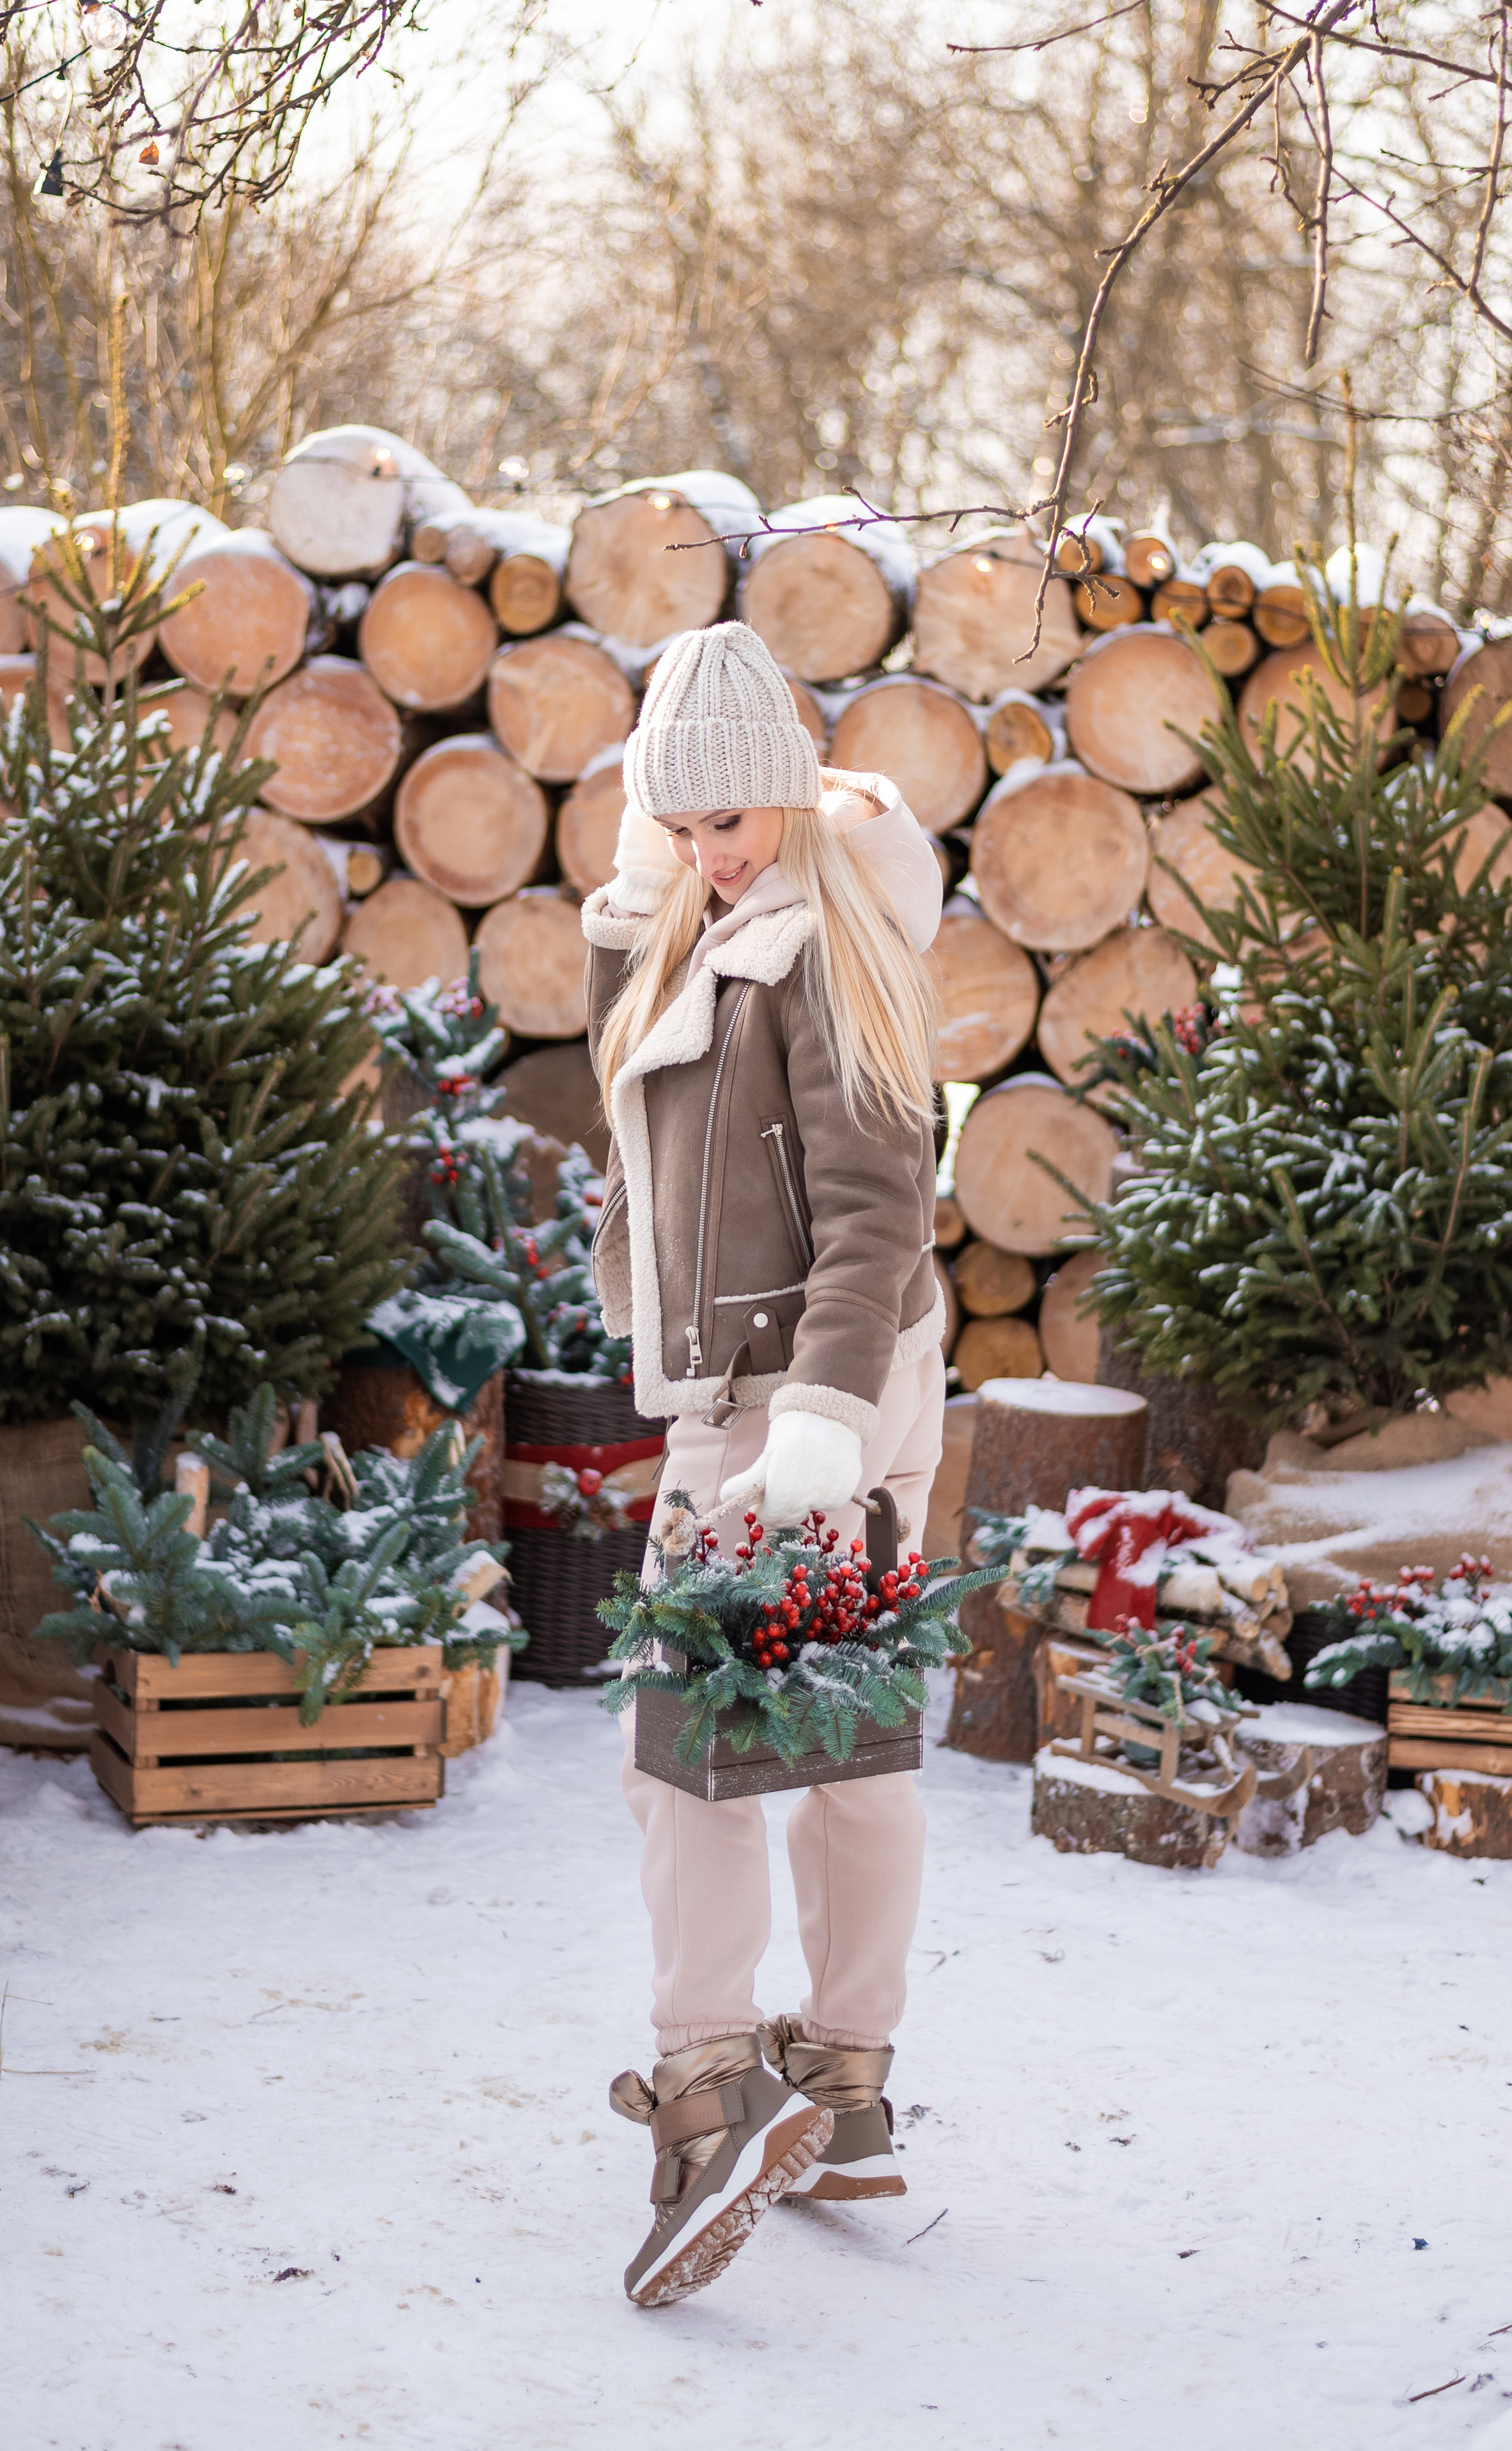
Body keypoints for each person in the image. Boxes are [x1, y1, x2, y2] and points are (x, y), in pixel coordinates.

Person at [582, 620, 946, 2308]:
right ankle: (847, 2082)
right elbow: (645, 1104)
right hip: (827, 1388)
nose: (713, 851)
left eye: (739, 818)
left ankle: (710, 2081)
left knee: (689, 1753)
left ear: (796, 802)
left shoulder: (828, 943)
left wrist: (812, 1428)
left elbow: (877, 1208)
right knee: (851, 1739)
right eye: (688, 821)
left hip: (797, 1395)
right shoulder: (729, 926)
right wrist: (644, 882)